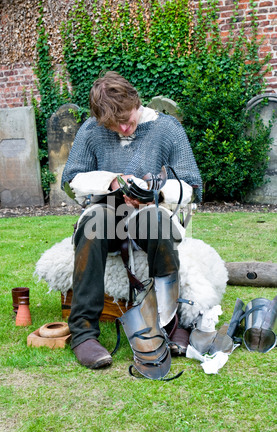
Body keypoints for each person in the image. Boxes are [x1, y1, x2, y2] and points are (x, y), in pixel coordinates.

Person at [61, 71, 202, 371]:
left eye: (126, 118)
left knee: (155, 222)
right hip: (108, 213)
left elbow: (190, 186)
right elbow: (72, 181)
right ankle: (84, 332)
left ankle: (171, 322)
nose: (123, 127)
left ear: (136, 101)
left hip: (150, 212)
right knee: (93, 222)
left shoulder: (167, 129)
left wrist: (154, 192)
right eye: (114, 124)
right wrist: (112, 181)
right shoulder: (91, 130)